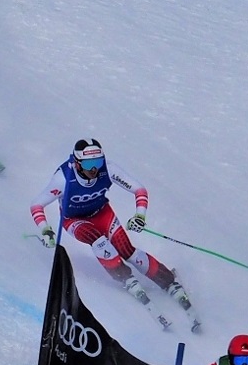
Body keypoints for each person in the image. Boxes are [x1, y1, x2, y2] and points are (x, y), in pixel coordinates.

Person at [28, 138, 197, 325]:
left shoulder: (107, 169)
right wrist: (45, 230)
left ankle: (168, 280)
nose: (94, 169)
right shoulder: (63, 179)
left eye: (98, 162)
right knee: (98, 240)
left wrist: (140, 215)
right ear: (77, 163)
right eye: (89, 164)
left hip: (102, 214)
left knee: (127, 251)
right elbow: (37, 205)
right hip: (75, 220)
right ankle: (125, 277)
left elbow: (139, 190)